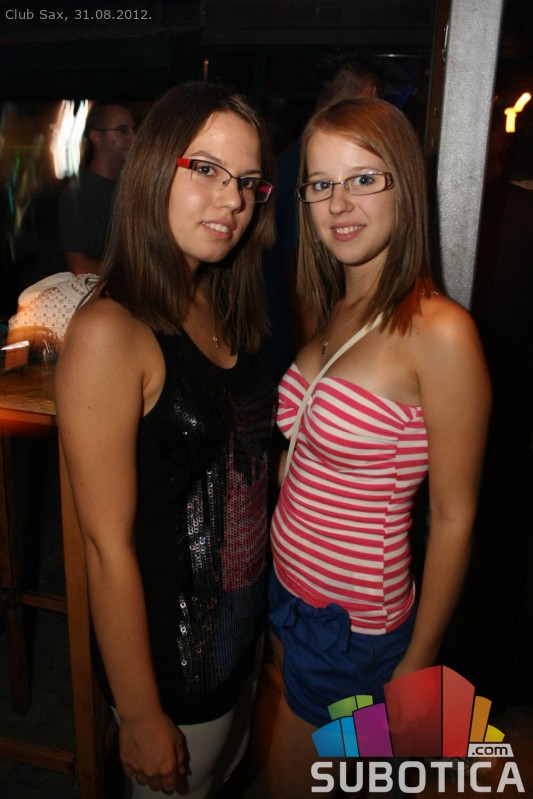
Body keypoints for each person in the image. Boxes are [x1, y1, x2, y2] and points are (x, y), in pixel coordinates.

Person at [55, 82, 276, 798]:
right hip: (170, 670)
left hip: (237, 640)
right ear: (154, 170)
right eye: (206, 169)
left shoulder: (217, 296)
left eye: (247, 181)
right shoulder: (109, 331)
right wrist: (142, 712)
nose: (232, 198)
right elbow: (105, 546)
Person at [266, 97, 491, 798]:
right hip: (291, 596)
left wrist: (418, 659)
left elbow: (453, 516)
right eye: (320, 182)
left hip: (354, 631)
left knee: (294, 783)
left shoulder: (440, 331)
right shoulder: (336, 304)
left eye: (363, 178)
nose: (338, 203)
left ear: (405, 185)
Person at [262, 53, 382, 380]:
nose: (339, 203)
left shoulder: (297, 156)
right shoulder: (305, 165)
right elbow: (300, 281)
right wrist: (318, 371)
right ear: (371, 95)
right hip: (293, 350)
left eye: (365, 180)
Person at [57, 101, 135, 276]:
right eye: (123, 130)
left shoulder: (131, 187)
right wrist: (138, 272)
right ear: (97, 137)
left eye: (133, 129)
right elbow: (80, 267)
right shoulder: (77, 195)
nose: (133, 137)